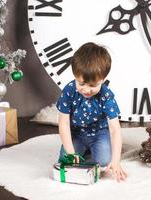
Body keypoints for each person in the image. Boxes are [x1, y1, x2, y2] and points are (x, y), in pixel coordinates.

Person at [56, 42, 127, 182]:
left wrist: (116, 161)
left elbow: (114, 129)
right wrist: (71, 154)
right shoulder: (69, 91)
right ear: (75, 75)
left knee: (105, 162)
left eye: (93, 85)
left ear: (103, 79)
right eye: (81, 84)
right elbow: (63, 124)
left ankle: (94, 149)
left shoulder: (106, 96)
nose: (87, 90)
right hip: (76, 133)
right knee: (65, 161)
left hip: (99, 134)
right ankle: (81, 150)